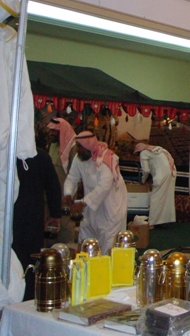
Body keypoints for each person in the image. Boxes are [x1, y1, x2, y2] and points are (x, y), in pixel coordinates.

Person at [63, 131, 127, 254]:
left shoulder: (106, 159)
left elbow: (104, 186)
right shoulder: (79, 158)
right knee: (86, 241)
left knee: (108, 245)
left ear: (88, 146)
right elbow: (72, 178)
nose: (77, 150)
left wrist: (83, 202)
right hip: (91, 205)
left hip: (110, 206)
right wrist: (68, 194)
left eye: (80, 147)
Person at [12, 148, 62, 301]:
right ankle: (28, 299)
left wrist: (55, 214)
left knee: (14, 258)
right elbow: (53, 187)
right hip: (33, 217)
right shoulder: (41, 157)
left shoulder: (7, 154)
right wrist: (55, 214)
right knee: (31, 259)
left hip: (12, 216)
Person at [46, 117, 77, 244]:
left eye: (54, 131)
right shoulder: (53, 145)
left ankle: (65, 250)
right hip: (51, 193)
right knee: (50, 223)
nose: (51, 133)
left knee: (65, 225)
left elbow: (75, 175)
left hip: (65, 195)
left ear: (61, 131)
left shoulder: (73, 148)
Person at [134, 142, 177, 228]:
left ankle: (152, 223)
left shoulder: (143, 153)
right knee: (167, 198)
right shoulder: (157, 148)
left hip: (160, 177)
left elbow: (146, 170)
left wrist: (143, 180)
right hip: (171, 174)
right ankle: (164, 220)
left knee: (155, 199)